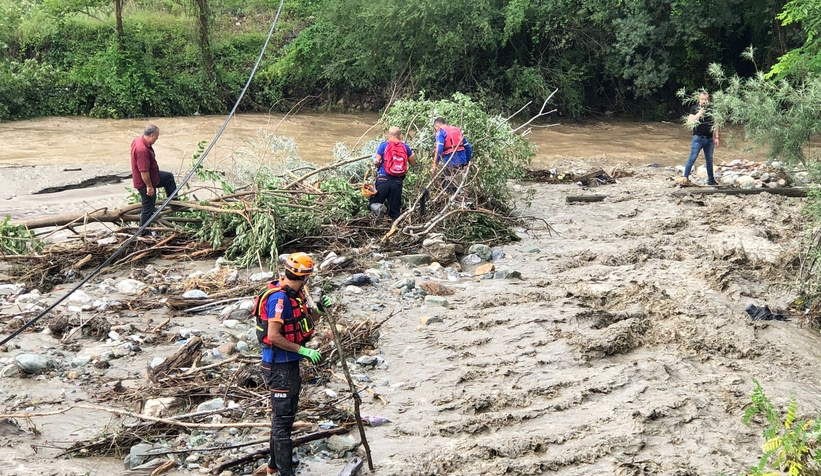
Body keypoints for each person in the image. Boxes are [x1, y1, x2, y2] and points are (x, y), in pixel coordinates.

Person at [254, 252, 332, 476]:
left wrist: (319, 311)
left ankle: (272, 466)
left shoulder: (294, 295)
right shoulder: (278, 299)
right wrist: (303, 350)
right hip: (278, 366)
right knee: (282, 424)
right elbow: (274, 335)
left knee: (283, 419)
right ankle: (285, 473)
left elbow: (304, 321)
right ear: (304, 277)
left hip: (289, 366)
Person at [131, 124, 178, 227]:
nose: (157, 138)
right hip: (145, 182)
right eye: (157, 136)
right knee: (147, 208)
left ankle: (174, 202)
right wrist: (149, 186)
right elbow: (144, 171)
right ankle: (143, 232)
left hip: (153, 176)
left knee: (168, 178)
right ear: (152, 135)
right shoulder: (142, 150)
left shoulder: (138, 140)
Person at [369, 126, 416, 220]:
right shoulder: (405, 147)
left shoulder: (384, 145)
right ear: (400, 136)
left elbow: (376, 161)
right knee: (395, 211)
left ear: (388, 135)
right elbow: (413, 163)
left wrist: (377, 163)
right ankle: (394, 228)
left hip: (383, 179)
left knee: (373, 203)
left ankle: (379, 213)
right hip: (397, 181)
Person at [683, 91, 720, 185]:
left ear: (708, 100)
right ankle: (685, 178)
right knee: (692, 158)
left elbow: (716, 124)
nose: (704, 101)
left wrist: (716, 137)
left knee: (709, 160)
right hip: (698, 138)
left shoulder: (712, 110)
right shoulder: (694, 108)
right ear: (699, 99)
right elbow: (689, 122)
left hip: (709, 139)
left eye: (706, 99)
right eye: (702, 99)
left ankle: (711, 180)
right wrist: (699, 113)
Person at [432, 117, 473, 193]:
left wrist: (435, 165)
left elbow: (439, 149)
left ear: (436, 126)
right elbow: (468, 147)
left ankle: (450, 199)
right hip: (462, 159)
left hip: (450, 160)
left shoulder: (440, 132)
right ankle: (457, 195)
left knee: (447, 183)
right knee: (451, 179)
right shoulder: (457, 130)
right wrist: (467, 161)